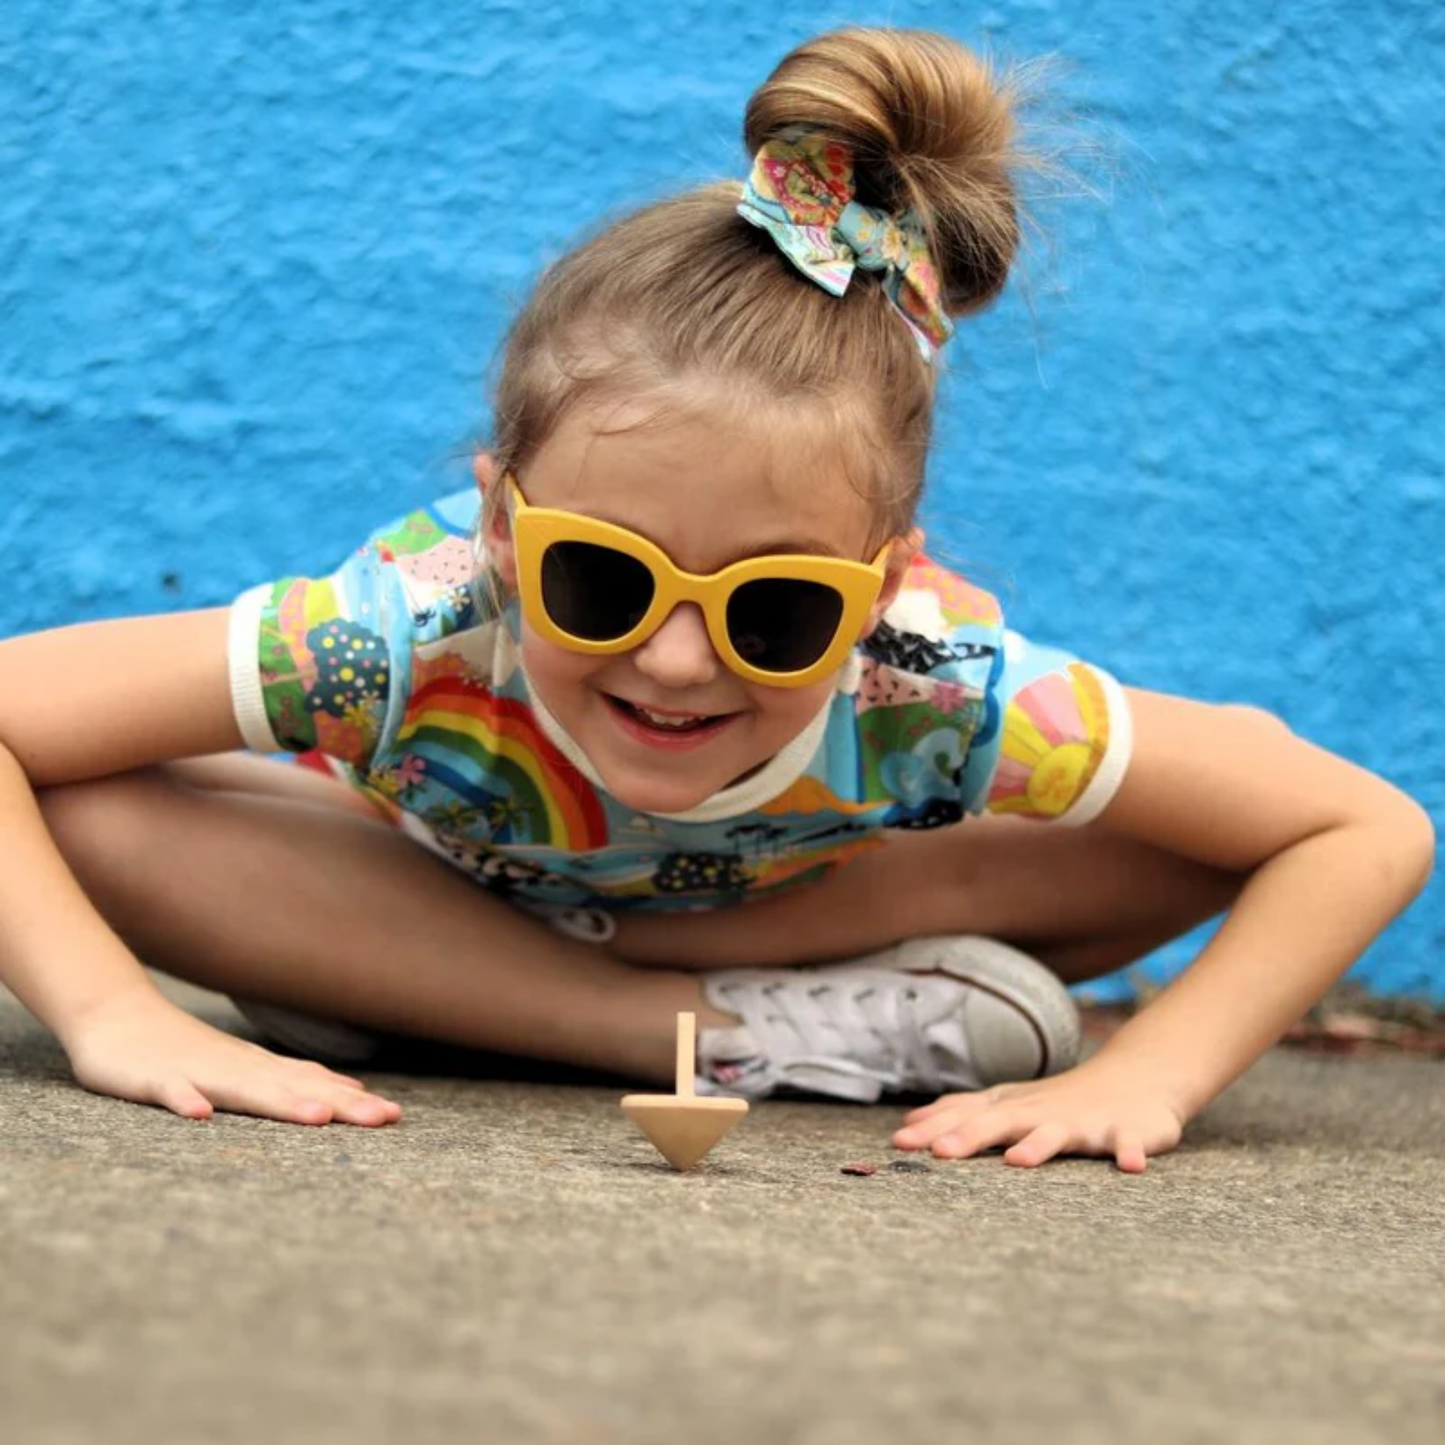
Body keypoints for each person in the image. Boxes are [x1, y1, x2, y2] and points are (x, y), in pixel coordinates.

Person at [0, 27, 1432, 1172]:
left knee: (1205, 831)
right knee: (85, 807)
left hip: (776, 899)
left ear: (879, 585)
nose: (678, 659)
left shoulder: (930, 680)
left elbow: (1364, 824)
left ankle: (410, 996)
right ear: (503, 527)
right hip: (439, 871)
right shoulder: (399, 632)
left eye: (777, 609)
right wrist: (107, 1014)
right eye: (603, 579)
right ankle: (655, 1029)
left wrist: (1149, 1079)